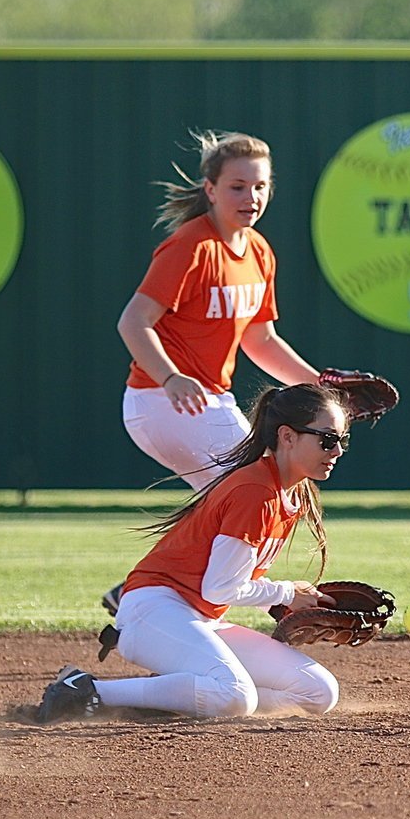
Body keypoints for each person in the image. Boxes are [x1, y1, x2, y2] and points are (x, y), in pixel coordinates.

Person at [106, 130, 325, 615]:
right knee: (259, 482)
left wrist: (318, 389)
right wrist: (169, 376)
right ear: (210, 189)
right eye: (237, 186)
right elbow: (133, 321)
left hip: (206, 400)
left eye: (260, 186)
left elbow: (260, 340)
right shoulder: (191, 247)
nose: (251, 197)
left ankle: (143, 591)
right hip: (163, 400)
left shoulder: (259, 252)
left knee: (240, 496)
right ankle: (161, 592)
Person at [37, 383, 348, 723]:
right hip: (154, 611)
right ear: (287, 436)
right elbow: (220, 589)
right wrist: (286, 591)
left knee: (318, 693)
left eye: (342, 440)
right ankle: (85, 690)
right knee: (234, 696)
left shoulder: (289, 493)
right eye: (327, 439)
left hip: (199, 620)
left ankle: (178, 693)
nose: (337, 451)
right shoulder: (255, 492)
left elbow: (240, 578)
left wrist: (282, 603)